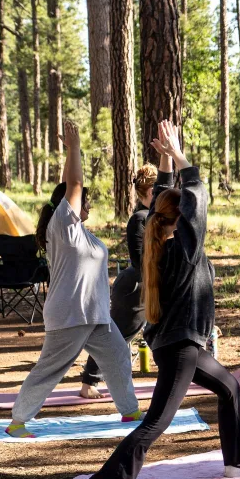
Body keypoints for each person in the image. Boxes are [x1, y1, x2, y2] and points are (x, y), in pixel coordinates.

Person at [84, 120, 240, 479]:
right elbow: (193, 205)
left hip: (181, 343)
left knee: (230, 388)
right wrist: (184, 161)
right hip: (180, 348)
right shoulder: (185, 253)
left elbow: (163, 202)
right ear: (180, 223)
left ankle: (236, 463)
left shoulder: (160, 246)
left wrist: (166, 160)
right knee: (157, 420)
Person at [6, 121, 141, 437]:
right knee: (51, 368)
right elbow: (76, 182)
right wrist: (74, 148)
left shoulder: (82, 232)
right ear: (68, 203)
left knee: (118, 353)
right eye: (84, 200)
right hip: (70, 313)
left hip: (94, 315)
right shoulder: (63, 225)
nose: (89, 204)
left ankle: (130, 410)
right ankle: (18, 422)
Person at [79, 162, 160, 399]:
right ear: (150, 191)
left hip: (154, 286)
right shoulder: (139, 219)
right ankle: (88, 383)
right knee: (118, 338)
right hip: (134, 290)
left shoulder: (157, 217)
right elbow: (139, 261)